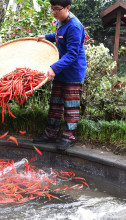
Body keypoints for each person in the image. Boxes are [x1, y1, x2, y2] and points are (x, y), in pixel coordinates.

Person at [33, 0, 87, 150]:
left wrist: (54, 68)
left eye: (57, 9)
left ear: (67, 8)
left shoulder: (75, 26)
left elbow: (72, 54)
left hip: (73, 72)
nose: (53, 12)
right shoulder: (60, 21)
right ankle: (50, 134)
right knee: (55, 103)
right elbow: (59, 36)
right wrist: (46, 36)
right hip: (60, 70)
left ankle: (68, 137)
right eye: (52, 9)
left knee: (71, 105)